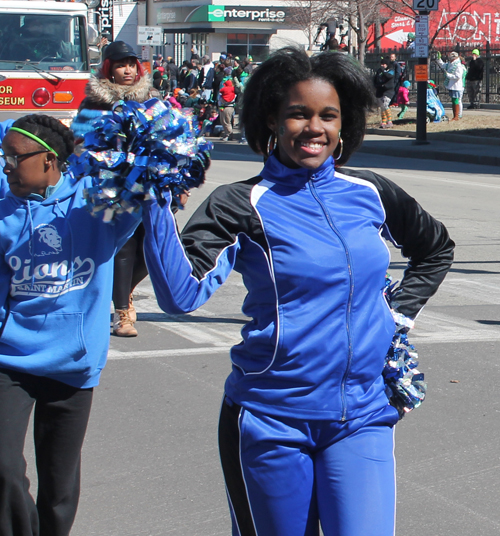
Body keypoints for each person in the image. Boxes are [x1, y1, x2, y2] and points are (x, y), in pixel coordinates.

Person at [140, 47, 454, 536]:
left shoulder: (368, 190)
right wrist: (154, 201)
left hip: (363, 414)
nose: (314, 128)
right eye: (298, 114)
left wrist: (397, 315)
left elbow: (435, 248)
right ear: (271, 118)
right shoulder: (239, 204)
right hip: (271, 419)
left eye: (327, 115)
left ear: (343, 121)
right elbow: (181, 296)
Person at [0, 114, 139, 536]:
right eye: (3, 155)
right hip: (11, 361)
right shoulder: (4, 209)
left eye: (13, 157)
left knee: (59, 487)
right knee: (3, 468)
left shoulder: (96, 204)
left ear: (48, 160)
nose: (5, 165)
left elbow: (145, 189)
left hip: (73, 363)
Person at [71, 40, 159, 337]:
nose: (128, 70)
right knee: (126, 244)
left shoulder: (151, 97)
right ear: (108, 68)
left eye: (132, 64)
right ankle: (123, 314)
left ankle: (123, 289)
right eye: (121, 64)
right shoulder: (95, 103)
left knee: (154, 247)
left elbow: (170, 139)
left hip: (151, 184)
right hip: (110, 186)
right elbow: (80, 145)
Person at [436, 50, 465, 121]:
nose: (450, 60)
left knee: (456, 100)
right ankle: (455, 115)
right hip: (451, 85)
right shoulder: (450, 64)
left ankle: (456, 116)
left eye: (451, 58)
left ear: (455, 58)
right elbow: (443, 65)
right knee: (453, 100)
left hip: (456, 86)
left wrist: (448, 75)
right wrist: (439, 59)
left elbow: (458, 76)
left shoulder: (458, 66)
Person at [373, 57, 395, 128]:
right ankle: (383, 122)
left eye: (384, 64)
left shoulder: (391, 70)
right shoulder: (379, 71)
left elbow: (389, 76)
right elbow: (375, 79)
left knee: (385, 105)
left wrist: (384, 71)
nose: (383, 65)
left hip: (388, 91)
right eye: (382, 64)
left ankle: (390, 121)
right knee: (382, 106)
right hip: (380, 90)